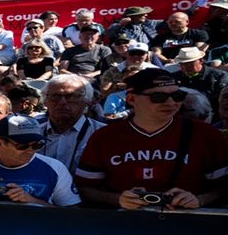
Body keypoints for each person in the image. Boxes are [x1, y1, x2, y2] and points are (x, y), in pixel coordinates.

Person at [76, 66, 228, 211]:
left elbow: (224, 188)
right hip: (125, 222)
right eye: (159, 97)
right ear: (131, 99)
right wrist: (118, 199)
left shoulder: (206, 134)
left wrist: (199, 200)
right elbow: (84, 188)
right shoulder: (105, 137)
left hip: (188, 221)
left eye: (178, 96)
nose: (171, 103)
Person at [0, 116, 79, 206]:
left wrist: (32, 201)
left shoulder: (55, 168)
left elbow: (71, 214)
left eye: (37, 145)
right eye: (22, 146)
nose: (30, 150)